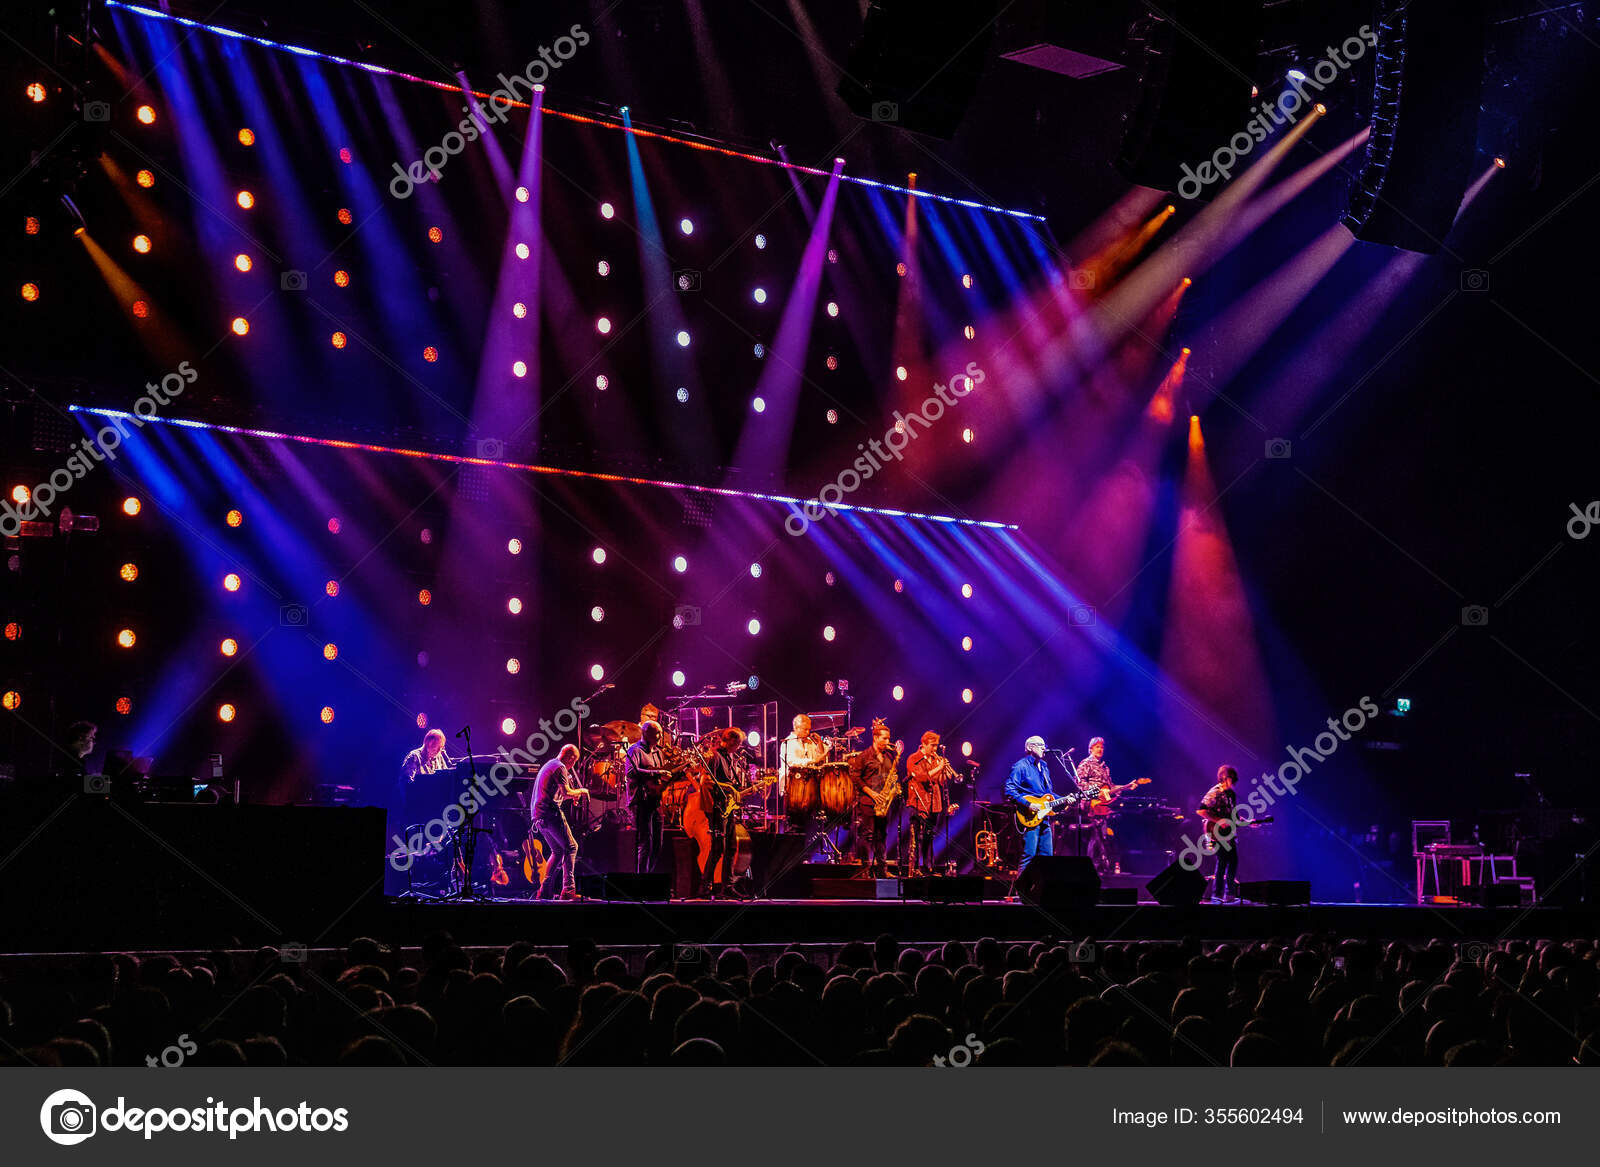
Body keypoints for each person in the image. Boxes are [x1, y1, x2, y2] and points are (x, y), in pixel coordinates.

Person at [531, 744, 589, 901]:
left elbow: (560, 793)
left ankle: (544, 890)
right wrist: (582, 791)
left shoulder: (550, 765)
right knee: (571, 847)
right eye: (574, 762)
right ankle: (568, 890)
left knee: (557, 851)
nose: (572, 766)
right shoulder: (560, 767)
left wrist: (572, 796)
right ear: (570, 758)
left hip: (538, 815)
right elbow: (566, 791)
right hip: (550, 814)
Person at [699, 729, 750, 899]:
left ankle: (727, 887)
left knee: (731, 847)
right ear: (730, 741)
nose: (739, 747)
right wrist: (728, 787)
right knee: (717, 848)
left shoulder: (729, 757)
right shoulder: (714, 756)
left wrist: (738, 790)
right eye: (738, 743)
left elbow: (728, 782)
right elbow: (706, 780)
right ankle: (705, 887)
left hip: (727, 807)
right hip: (716, 808)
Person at [849, 719, 902, 877]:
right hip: (868, 801)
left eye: (888, 738)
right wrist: (872, 793)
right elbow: (855, 778)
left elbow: (892, 775)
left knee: (881, 836)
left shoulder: (889, 756)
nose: (888, 741)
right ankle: (864, 870)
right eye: (884, 738)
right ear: (875, 738)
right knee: (867, 835)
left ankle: (882, 870)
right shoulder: (864, 756)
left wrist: (891, 790)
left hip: (883, 802)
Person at [626, 720, 674, 873]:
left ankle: (649, 880)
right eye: (656, 733)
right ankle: (642, 885)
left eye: (660, 733)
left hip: (656, 802)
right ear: (645, 733)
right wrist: (657, 772)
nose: (660, 736)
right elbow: (631, 773)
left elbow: (659, 779)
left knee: (657, 845)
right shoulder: (635, 750)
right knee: (645, 844)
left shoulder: (658, 752)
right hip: (641, 802)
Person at [905, 731, 955, 875]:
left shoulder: (934, 759)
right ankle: (913, 869)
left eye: (936, 746)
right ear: (924, 744)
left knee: (929, 836)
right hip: (918, 803)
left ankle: (928, 868)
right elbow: (922, 778)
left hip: (934, 804)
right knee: (915, 838)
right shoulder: (913, 758)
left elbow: (940, 781)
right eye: (932, 746)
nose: (935, 749)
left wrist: (944, 771)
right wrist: (939, 768)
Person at [1006, 736, 1055, 879]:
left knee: (1047, 855)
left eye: (1044, 745)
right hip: (1029, 816)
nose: (1044, 747)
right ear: (1030, 748)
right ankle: (1022, 892)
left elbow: (1048, 794)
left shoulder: (1044, 766)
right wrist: (1028, 804)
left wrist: (1068, 798)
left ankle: (1043, 890)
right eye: (1040, 745)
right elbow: (1009, 789)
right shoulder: (1020, 766)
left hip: (1044, 816)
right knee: (1029, 855)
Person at [1198, 765, 1241, 903]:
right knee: (1222, 860)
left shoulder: (1231, 794)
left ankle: (1230, 895)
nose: (1234, 781)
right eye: (1231, 778)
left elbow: (1234, 816)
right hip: (1216, 832)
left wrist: (1249, 822)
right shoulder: (1215, 792)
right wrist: (1219, 821)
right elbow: (1201, 811)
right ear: (1224, 777)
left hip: (1229, 834)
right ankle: (1217, 894)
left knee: (1233, 861)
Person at [1073, 736, 1113, 873]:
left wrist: (1125, 787)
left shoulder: (1105, 767)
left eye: (1102, 747)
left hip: (1104, 805)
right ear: (1090, 749)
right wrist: (1095, 792)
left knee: (1104, 835)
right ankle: (1091, 867)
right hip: (1090, 804)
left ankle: (1102, 865)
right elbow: (1079, 782)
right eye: (1097, 747)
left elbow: (1110, 787)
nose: (1100, 749)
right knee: (1095, 835)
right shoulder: (1086, 763)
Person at [777, 713, 828, 795]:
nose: (808, 732)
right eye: (805, 729)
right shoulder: (787, 743)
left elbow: (821, 756)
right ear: (796, 728)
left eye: (809, 729)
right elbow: (792, 762)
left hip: (809, 785)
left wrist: (819, 743)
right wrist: (811, 761)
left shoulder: (810, 742)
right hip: (792, 786)